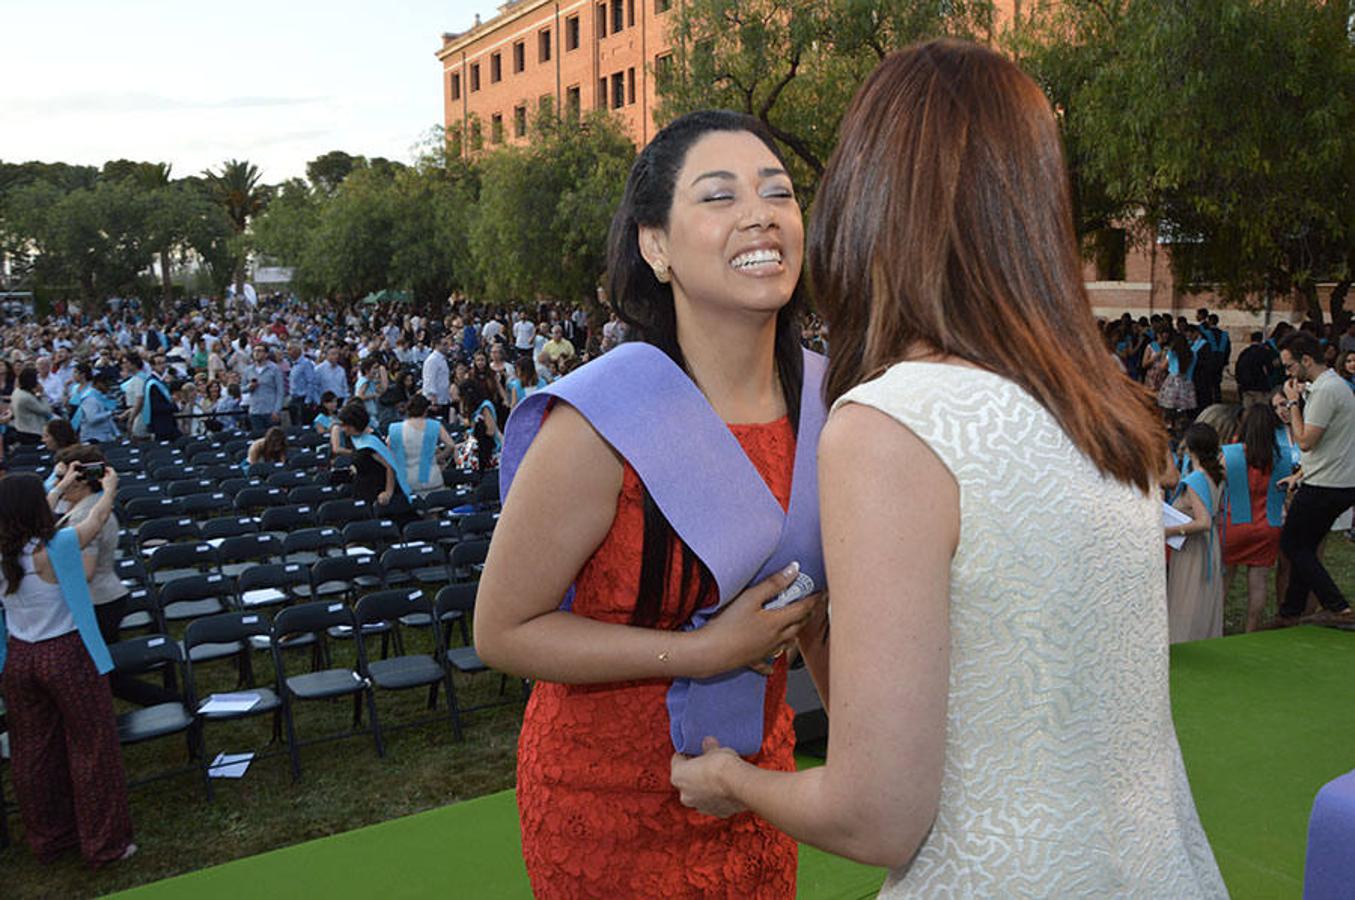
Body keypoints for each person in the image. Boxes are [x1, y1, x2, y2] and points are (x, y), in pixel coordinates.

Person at [668, 41, 1225, 896]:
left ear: (870, 200)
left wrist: (728, 782)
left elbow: (878, 813)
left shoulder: (891, 426)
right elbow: (1000, 675)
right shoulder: (1097, 404)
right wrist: (819, 625)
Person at [475, 109, 826, 897]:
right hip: (606, 804)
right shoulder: (603, 419)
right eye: (717, 197)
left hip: (755, 777)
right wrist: (699, 654)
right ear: (655, 244)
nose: (759, 213)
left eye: (777, 191)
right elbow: (502, 630)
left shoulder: (833, 402)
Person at [1, 466, 137, 867]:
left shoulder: (8, 548)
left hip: (19, 658)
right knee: (92, 747)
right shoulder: (57, 545)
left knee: (33, 753)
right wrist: (109, 487)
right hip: (66, 654)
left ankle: (50, 838)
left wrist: (60, 485)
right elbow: (96, 519)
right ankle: (104, 844)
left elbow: (23, 515)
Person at [1273, 331, 1355, 627]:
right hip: (1332, 480)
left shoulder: (1326, 390)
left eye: (1290, 366)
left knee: (1293, 544)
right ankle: (1291, 611)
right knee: (1302, 545)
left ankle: (1338, 607)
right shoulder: (1335, 386)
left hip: (1326, 484)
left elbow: (1306, 441)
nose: (1288, 373)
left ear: (1306, 360)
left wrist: (1293, 403)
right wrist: (1301, 473)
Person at [1221, 404, 1290, 631]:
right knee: (1258, 583)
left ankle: (1216, 625)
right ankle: (1250, 630)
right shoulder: (1282, 458)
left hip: (1234, 524)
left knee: (1224, 581)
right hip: (1268, 525)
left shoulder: (1230, 454)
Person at [1166, 423, 1226, 642]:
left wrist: (1169, 530)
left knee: (1188, 598)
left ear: (1191, 448)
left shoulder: (1196, 479)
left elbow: (1204, 521)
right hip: (1208, 546)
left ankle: (1186, 640)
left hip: (1193, 547)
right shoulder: (1215, 475)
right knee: (1200, 597)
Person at [387, 394, 455, 496]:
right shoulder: (435, 425)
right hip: (432, 479)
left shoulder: (395, 429)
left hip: (408, 481)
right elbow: (451, 446)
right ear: (426, 410)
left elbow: (390, 457)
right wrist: (436, 458)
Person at [245, 343, 284, 433]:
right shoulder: (248, 370)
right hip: (255, 411)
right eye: (254, 351)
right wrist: (249, 387)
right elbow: (242, 388)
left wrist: (276, 410)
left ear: (266, 354)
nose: (256, 353)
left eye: (259, 351)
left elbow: (280, 391)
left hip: (270, 411)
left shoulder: (275, 369)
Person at [11, 366, 53, 446]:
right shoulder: (26, 397)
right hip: (32, 431)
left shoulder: (17, 391)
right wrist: (43, 394)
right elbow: (46, 411)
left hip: (22, 428)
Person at [1234, 330, 1276, 408]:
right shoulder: (1264, 352)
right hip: (1260, 387)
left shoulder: (1244, 353)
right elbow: (1270, 369)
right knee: (1261, 411)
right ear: (1261, 340)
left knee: (1248, 411)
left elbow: (1238, 368)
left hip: (1246, 388)